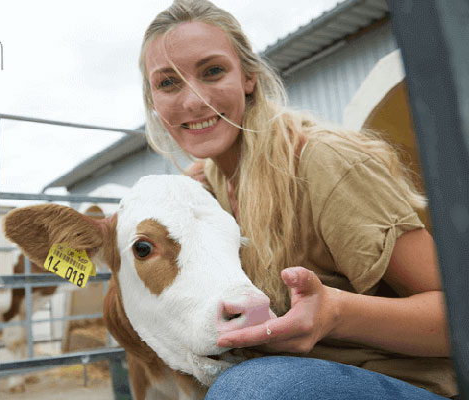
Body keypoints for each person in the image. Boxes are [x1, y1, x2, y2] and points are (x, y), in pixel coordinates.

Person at [139, 1, 458, 399]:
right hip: (299, 380)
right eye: (168, 83)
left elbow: (457, 316)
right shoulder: (205, 191)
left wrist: (337, 314)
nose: (192, 101)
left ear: (249, 77)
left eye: (213, 71)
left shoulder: (324, 163)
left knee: (253, 388)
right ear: (153, 101)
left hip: (408, 385)